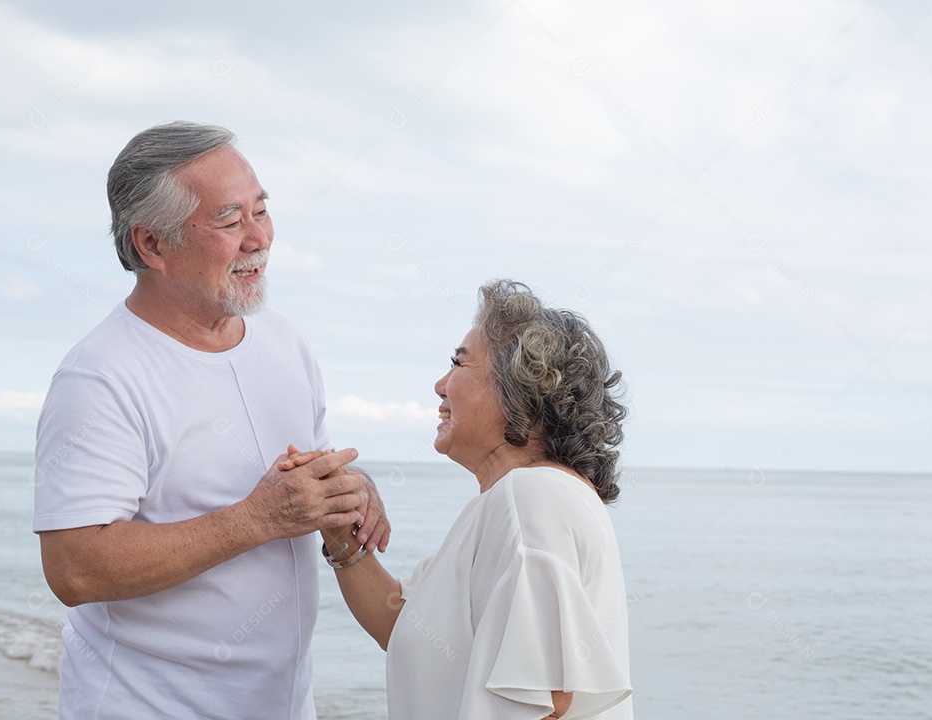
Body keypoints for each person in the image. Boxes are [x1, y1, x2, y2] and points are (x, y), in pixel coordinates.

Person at [32, 121, 390, 720]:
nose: (259, 239)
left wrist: (347, 493)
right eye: (230, 221)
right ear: (151, 245)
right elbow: (74, 568)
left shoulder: (285, 340)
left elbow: (306, 479)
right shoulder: (99, 378)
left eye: (261, 210)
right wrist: (257, 518)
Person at [290, 279, 634, 719]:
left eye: (458, 363)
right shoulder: (518, 500)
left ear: (521, 388)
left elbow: (546, 700)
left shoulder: (530, 498)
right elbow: (402, 625)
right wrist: (339, 528)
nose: (439, 385)